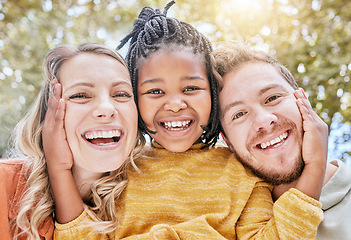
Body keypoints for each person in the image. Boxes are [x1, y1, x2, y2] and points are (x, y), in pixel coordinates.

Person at [52, 1, 324, 239]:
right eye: (155, 91)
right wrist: (59, 168)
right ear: (134, 99)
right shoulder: (118, 173)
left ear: (213, 98)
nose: (174, 104)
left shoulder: (241, 176)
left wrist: (315, 166)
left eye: (191, 88)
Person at [0, 43, 143, 239]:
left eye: (121, 94)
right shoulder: (4, 185)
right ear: (48, 114)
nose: (106, 108)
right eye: (80, 95)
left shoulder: (154, 195)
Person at [214, 43, 350, 239]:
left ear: (302, 100)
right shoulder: (224, 225)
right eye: (239, 114)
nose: (263, 120)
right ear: (228, 142)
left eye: (272, 98)